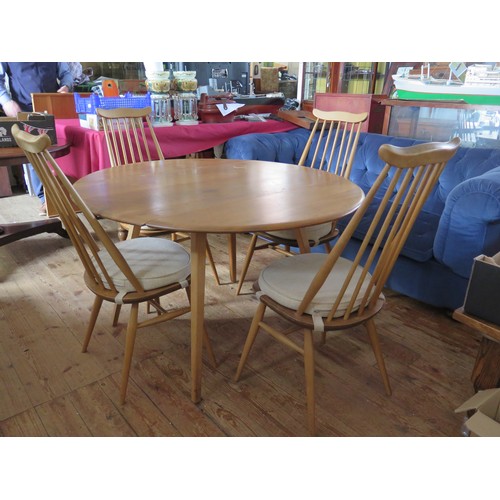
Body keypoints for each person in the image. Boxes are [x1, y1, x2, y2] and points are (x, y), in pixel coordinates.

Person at [0, 62, 73, 215]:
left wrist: (66, 86)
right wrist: (6, 101)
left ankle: (69, 195)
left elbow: (66, 73)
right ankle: (45, 199)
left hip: (53, 104)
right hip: (25, 108)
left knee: (62, 151)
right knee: (36, 153)